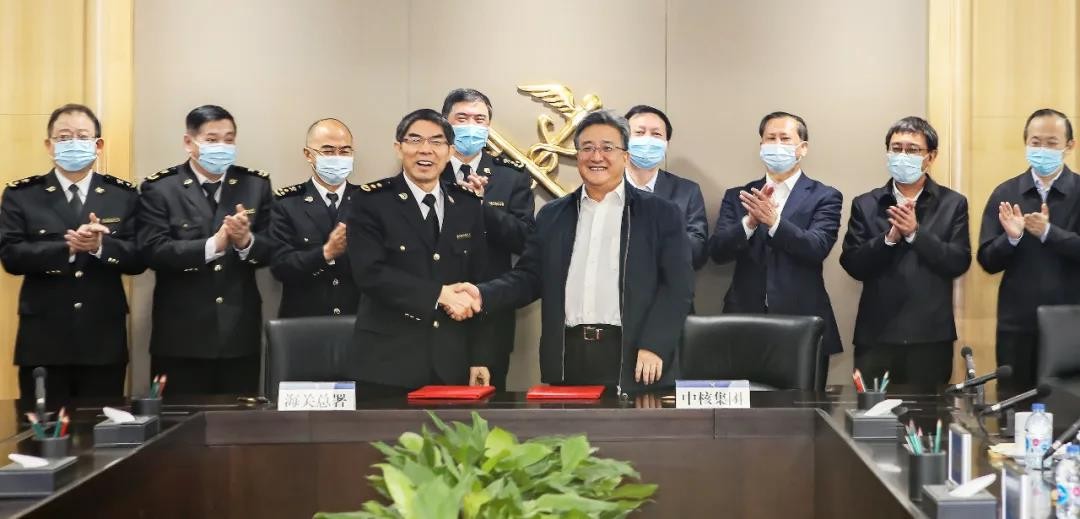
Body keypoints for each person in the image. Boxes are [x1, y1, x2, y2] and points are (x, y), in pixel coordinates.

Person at [455, 110, 694, 395]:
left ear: (625, 156)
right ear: (578, 155)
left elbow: (678, 286)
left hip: (637, 356)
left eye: (607, 148)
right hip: (569, 356)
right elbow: (529, 278)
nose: (596, 156)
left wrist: (654, 344)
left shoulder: (661, 213)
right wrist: (482, 294)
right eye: (587, 148)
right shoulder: (553, 215)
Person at [345, 108, 493, 397]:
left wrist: (479, 356)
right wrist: (439, 294)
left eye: (437, 142)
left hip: (451, 362)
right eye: (415, 140)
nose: (426, 150)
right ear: (398, 148)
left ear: (450, 151)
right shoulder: (370, 201)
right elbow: (369, 274)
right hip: (386, 364)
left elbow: (479, 282)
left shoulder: (467, 205)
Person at [0, 103, 144, 401]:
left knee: (102, 426)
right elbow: (11, 256)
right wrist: (66, 247)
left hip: (103, 339)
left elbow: (139, 258)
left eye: (82, 136)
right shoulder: (21, 195)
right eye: (64, 137)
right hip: (43, 340)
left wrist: (100, 247)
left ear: (98, 145)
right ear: (49, 145)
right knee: (42, 427)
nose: (73, 143)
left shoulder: (123, 195)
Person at [136, 104, 274, 395]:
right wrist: (213, 245)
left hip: (238, 335)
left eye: (229, 139)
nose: (222, 146)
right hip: (180, 338)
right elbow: (152, 251)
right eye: (212, 140)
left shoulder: (255, 185)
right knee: (178, 419)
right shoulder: (160, 188)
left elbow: (272, 248)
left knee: (240, 419)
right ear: (189, 142)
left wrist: (245, 242)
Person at [708, 111, 843, 376]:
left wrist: (774, 222)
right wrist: (749, 223)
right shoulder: (738, 196)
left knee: (804, 401)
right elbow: (718, 251)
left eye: (785, 138)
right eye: (770, 138)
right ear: (761, 146)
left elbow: (817, 247)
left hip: (802, 321)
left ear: (802, 148)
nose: (777, 145)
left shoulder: (825, 196)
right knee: (746, 400)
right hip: (744, 319)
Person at [840, 116, 970, 388]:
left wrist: (914, 234)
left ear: (930, 157)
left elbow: (958, 262)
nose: (902, 155)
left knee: (929, 413)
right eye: (896, 148)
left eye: (912, 150)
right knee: (872, 413)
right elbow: (853, 264)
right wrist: (888, 239)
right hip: (875, 337)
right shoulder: (866, 204)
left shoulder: (952, 203)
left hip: (930, 338)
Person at [977, 108, 1079, 392]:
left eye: (1051, 143)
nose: (1042, 149)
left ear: (1069, 146)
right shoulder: (1006, 193)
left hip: (1071, 325)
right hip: (1017, 325)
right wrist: (1010, 238)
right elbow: (987, 260)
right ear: (1025, 143)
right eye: (1035, 142)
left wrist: (1049, 232)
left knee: (1067, 406)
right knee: (1014, 403)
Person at [440, 88, 535, 391]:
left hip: (490, 315)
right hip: (435, 311)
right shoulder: (429, 171)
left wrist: (481, 208)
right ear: (445, 123)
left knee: (488, 411)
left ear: (489, 126)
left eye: (479, 119)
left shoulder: (511, 176)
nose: (471, 126)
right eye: (462, 118)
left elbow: (524, 240)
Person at [269, 118, 360, 318]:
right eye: (328, 151)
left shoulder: (369, 201)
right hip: (304, 320)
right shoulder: (286, 203)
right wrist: (325, 253)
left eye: (345, 151)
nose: (338, 157)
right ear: (308, 155)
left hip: (357, 319)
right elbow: (280, 267)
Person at [624, 105, 708, 270]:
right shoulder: (603, 189)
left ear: (666, 144)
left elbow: (698, 253)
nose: (648, 140)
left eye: (656, 134)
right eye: (639, 132)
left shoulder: (687, 191)